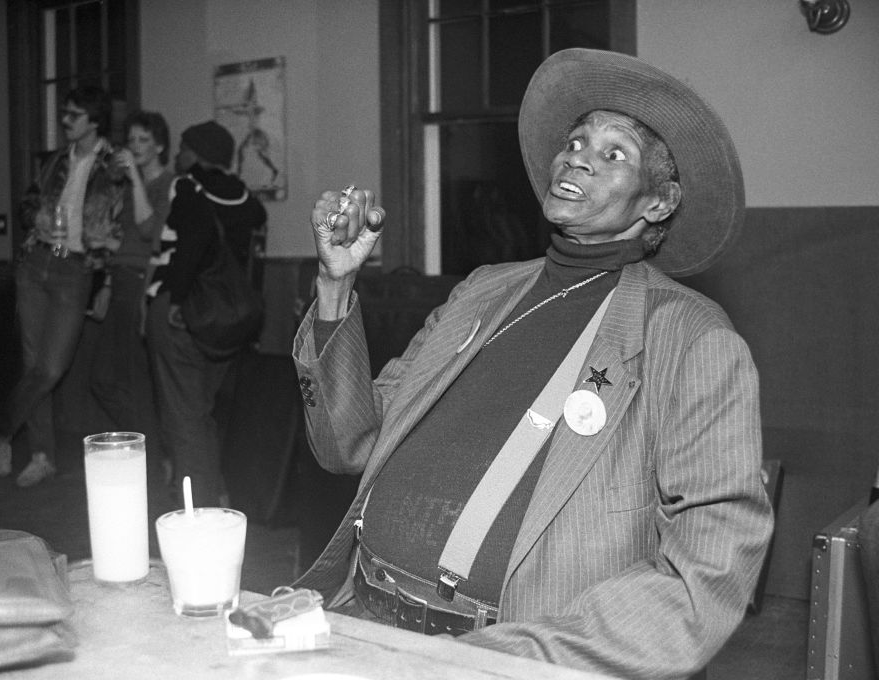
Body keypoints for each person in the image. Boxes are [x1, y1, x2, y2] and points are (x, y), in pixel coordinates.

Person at [292, 48, 774, 680]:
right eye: (575, 141)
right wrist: (336, 286)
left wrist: (507, 662)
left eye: (613, 153)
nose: (578, 154)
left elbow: (702, 579)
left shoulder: (689, 338)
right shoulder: (484, 291)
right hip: (361, 623)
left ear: (657, 203)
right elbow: (349, 444)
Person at [0, 85, 124, 487]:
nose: (65, 120)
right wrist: (37, 219)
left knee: (50, 367)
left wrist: (108, 274)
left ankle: (0, 427)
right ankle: (42, 454)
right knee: (33, 365)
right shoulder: (52, 163)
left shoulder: (113, 167)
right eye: (65, 113)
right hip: (36, 263)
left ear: (94, 121)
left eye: (74, 114)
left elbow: (123, 222)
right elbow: (27, 204)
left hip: (77, 270)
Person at [145, 120, 266, 504]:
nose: (178, 154)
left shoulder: (188, 187)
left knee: (183, 417)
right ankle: (216, 493)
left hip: (185, 312)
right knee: (203, 412)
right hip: (228, 320)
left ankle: (202, 507)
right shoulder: (244, 196)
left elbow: (191, 245)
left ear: (197, 153)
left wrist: (177, 300)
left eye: (183, 147)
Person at [90, 111, 173, 438]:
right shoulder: (127, 188)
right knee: (103, 378)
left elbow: (149, 229)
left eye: (144, 140)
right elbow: (125, 239)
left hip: (143, 282)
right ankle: (152, 442)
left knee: (133, 379)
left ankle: (153, 448)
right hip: (122, 279)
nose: (135, 146)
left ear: (160, 146)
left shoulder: (168, 184)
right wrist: (107, 282)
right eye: (132, 139)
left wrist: (136, 180)